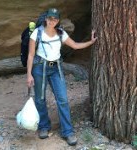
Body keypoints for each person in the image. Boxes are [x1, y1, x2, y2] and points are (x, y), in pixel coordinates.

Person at [27, 8, 97, 146]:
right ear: (45, 18)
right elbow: (30, 55)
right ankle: (44, 126)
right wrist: (29, 74)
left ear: (57, 20)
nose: (51, 21)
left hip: (55, 69)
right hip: (40, 68)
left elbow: (75, 45)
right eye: (49, 18)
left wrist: (91, 42)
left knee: (63, 99)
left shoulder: (61, 33)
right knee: (40, 99)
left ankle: (68, 132)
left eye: (55, 19)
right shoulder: (37, 33)